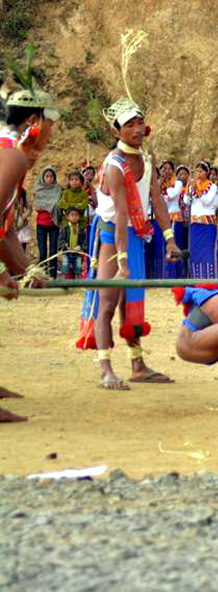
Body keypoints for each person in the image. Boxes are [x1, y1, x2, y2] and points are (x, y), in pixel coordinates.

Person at [77, 73, 182, 389]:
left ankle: (137, 363)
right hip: (113, 234)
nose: (137, 130)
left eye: (140, 123)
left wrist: (169, 238)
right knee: (108, 300)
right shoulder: (114, 164)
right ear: (116, 130)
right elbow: (120, 214)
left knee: (133, 300)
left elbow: (158, 200)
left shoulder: (147, 159)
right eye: (129, 125)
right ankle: (105, 368)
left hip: (137, 233)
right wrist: (122, 262)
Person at [0, 50, 59, 422]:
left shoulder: (10, 151)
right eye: (52, 125)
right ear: (35, 121)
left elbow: (2, 230)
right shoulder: (12, 156)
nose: (53, 134)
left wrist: (26, 269)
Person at [187, 162, 218, 278]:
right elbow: (186, 201)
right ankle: (197, 278)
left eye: (201, 171)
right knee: (196, 252)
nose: (199, 174)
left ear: (207, 172)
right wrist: (188, 188)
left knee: (207, 252)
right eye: (197, 172)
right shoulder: (193, 186)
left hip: (208, 225)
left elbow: (207, 202)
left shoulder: (213, 187)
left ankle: (210, 277)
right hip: (195, 224)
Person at [32, 166, 61, 277]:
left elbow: (59, 206)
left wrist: (46, 206)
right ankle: (43, 275)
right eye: (47, 176)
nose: (49, 179)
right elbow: (37, 206)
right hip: (41, 225)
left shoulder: (58, 189)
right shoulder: (38, 189)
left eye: (51, 176)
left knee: (53, 252)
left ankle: (53, 276)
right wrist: (51, 205)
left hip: (54, 224)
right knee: (43, 252)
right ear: (42, 177)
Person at [165, 165, 189, 278]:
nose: (167, 171)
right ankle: (168, 275)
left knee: (176, 245)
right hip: (165, 218)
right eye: (164, 169)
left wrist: (167, 184)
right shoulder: (160, 184)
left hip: (176, 217)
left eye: (169, 169)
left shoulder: (178, 183)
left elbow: (171, 194)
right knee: (166, 247)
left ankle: (178, 275)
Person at [58, 207, 87, 279]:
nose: (74, 217)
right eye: (72, 215)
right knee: (65, 269)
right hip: (67, 252)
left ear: (79, 217)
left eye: (76, 215)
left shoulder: (80, 229)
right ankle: (65, 285)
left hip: (77, 253)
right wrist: (65, 246)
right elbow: (61, 239)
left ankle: (77, 286)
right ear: (68, 217)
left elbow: (84, 240)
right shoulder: (65, 228)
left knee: (78, 269)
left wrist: (82, 248)